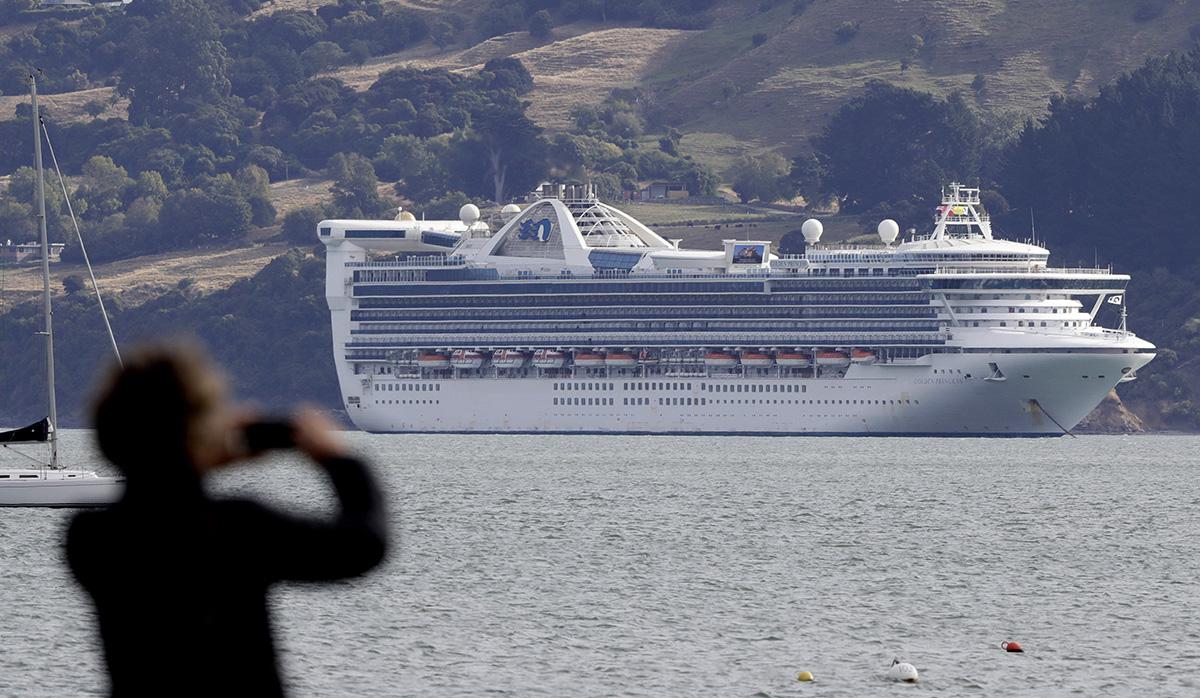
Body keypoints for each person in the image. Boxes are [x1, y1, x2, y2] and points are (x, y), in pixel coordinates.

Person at [66, 344, 388, 696]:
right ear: (197, 433)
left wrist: (195, 458)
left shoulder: (88, 539)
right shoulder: (239, 527)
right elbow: (364, 543)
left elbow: (158, 501)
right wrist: (338, 459)